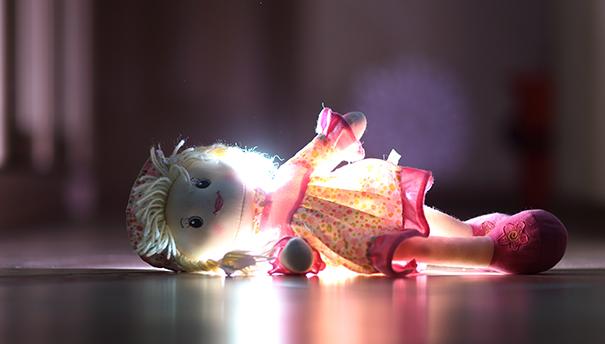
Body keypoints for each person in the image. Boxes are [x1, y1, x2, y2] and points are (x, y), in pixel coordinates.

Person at [126, 107, 567, 276]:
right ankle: (489, 254)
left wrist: (339, 137)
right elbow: (293, 256)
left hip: (361, 195)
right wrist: (294, 257)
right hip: (351, 242)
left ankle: (472, 231)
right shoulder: (270, 237)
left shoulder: (285, 176)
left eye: (202, 183)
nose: (210, 201)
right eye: (194, 222)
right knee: (408, 244)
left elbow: (315, 154)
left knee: (408, 209)